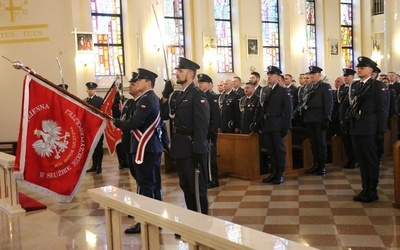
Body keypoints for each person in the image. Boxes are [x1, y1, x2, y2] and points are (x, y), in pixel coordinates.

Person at [114, 68, 164, 233]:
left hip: (146, 147)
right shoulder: (148, 98)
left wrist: (121, 125)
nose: (136, 83)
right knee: (152, 184)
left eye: (139, 80)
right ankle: (156, 218)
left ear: (148, 82)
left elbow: (136, 121)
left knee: (146, 185)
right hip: (149, 146)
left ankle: (146, 221)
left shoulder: (147, 99)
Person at [160, 57, 210, 215]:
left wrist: (199, 150)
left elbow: (202, 125)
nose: (177, 74)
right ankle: (191, 222)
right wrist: (165, 94)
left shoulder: (197, 95)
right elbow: (164, 115)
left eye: (180, 71)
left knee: (197, 188)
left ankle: (202, 223)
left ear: (190, 74)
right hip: (181, 148)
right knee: (186, 186)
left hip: (192, 148)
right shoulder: (178, 95)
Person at [340, 56, 388, 202]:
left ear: (370, 70)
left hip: (370, 127)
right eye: (358, 67)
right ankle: (365, 188)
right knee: (361, 159)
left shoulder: (377, 85)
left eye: (362, 67)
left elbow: (382, 110)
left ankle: (372, 190)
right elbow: (351, 104)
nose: (359, 69)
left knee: (371, 160)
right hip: (357, 127)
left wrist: (381, 130)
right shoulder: (355, 86)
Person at [260, 66, 292, 184]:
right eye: (268, 74)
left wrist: (286, 126)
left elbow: (288, 110)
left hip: (277, 124)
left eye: (271, 75)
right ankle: (273, 173)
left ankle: (280, 174)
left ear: (278, 77)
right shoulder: (268, 91)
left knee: (279, 151)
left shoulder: (283, 91)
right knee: (271, 151)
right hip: (268, 124)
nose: (269, 76)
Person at [303, 66, 333, 176]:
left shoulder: (325, 86)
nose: (311, 76)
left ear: (319, 75)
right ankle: (315, 165)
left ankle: (322, 166)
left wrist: (327, 118)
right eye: (310, 74)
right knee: (313, 144)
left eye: (313, 74)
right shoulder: (309, 87)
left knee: (321, 144)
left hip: (320, 118)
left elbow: (328, 104)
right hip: (310, 118)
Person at [197, 73, 221, 189]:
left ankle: (213, 179)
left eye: (202, 83)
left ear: (208, 84)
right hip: (202, 132)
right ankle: (205, 178)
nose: (199, 84)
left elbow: (216, 116)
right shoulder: (199, 96)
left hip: (210, 132)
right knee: (204, 156)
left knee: (211, 157)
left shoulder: (212, 97)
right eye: (199, 82)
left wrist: (212, 131)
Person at [339, 68, 359, 169]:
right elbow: (341, 104)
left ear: (353, 76)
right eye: (344, 76)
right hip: (344, 118)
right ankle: (350, 159)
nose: (345, 77)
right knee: (346, 141)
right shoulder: (342, 88)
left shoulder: (357, 86)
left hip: (353, 119)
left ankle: (355, 160)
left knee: (353, 142)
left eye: (347, 76)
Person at [85, 82, 104, 174]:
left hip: (98, 126)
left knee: (99, 147)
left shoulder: (99, 100)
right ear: (87, 90)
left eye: (92, 89)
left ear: (95, 90)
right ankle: (94, 165)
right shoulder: (85, 101)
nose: (91, 91)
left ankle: (99, 166)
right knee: (92, 147)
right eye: (89, 89)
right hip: (89, 127)